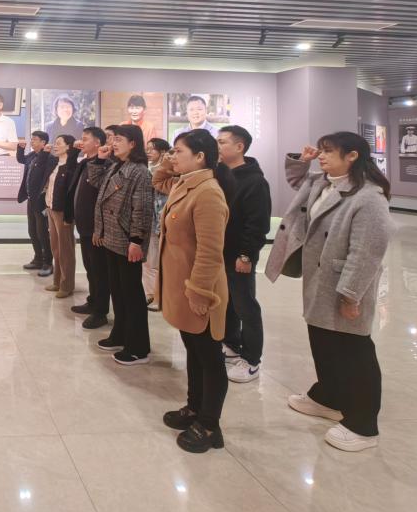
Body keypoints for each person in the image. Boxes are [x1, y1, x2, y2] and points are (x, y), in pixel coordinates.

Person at [266, 132, 394, 452]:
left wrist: (351, 295)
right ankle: (328, 397)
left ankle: (364, 424)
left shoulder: (368, 197)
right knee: (322, 341)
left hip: (343, 285)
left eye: (329, 151)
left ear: (352, 156)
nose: (321, 156)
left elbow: (367, 252)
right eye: (321, 151)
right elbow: (297, 181)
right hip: (319, 280)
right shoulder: (321, 183)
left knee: (354, 350)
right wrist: (302, 160)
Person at [154, 129, 233, 454]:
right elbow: (158, 179)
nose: (172, 157)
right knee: (194, 351)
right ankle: (194, 407)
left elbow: (210, 252)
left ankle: (210, 425)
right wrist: (169, 161)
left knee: (210, 357)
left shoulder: (208, 193)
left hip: (201, 291)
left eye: (178, 151)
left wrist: (199, 292)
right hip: (183, 288)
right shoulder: (185, 184)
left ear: (200, 157)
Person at [88, 124, 155, 366]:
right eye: (113, 139)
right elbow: (96, 183)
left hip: (127, 240)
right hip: (112, 238)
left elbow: (142, 210)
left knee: (132, 295)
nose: (113, 143)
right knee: (117, 291)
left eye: (119, 139)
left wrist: (136, 241)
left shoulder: (140, 172)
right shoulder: (117, 165)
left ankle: (138, 347)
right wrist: (99, 159)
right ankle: (120, 335)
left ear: (133, 144)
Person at [217, 126, 271, 384]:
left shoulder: (254, 181)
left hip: (240, 254)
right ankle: (231, 344)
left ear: (239, 147)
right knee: (227, 302)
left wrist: (247, 255)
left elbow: (257, 223)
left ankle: (251, 359)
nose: (217, 146)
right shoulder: (221, 175)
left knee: (245, 305)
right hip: (220, 252)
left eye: (222, 142)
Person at [65, 127, 109, 328]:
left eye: (85, 139)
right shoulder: (84, 163)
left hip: (96, 229)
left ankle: (100, 312)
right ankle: (93, 301)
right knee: (90, 268)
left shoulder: (104, 165)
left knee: (99, 271)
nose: (81, 142)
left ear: (98, 143)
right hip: (83, 226)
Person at [43, 134, 80, 298]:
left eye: (59, 143)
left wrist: (69, 216)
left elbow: (71, 195)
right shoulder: (55, 164)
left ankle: (67, 285)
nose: (55, 146)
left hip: (63, 212)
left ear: (68, 147)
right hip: (50, 208)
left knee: (66, 249)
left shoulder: (71, 167)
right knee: (56, 248)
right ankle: (57, 281)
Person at [17, 131, 57, 275]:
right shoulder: (32, 156)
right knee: (32, 230)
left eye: (35, 139)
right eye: (32, 139)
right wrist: (20, 149)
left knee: (42, 232)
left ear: (43, 142)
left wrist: (44, 154)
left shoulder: (50, 159)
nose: (32, 142)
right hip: (31, 199)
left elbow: (44, 174)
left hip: (41, 200)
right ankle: (38, 259)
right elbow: (21, 159)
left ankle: (48, 263)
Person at [143, 137, 172, 310]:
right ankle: (151, 294)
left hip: (163, 222)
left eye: (151, 149)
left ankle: (159, 296)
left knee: (159, 262)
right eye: (147, 148)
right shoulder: (146, 168)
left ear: (163, 152)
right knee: (148, 261)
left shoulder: (169, 172)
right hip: (149, 221)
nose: (148, 152)